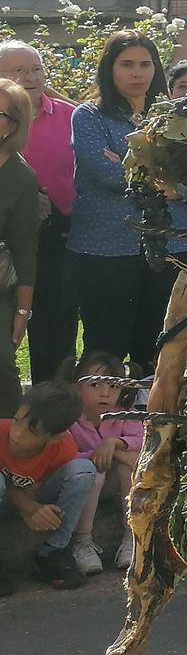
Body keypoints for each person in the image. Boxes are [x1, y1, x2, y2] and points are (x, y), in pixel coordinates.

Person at [70, 33, 187, 372]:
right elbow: (104, 173)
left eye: (145, 64)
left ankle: (151, 423)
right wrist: (164, 178)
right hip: (103, 249)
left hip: (171, 244)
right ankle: (97, 423)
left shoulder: (176, 117)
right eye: (127, 64)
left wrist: (124, 159)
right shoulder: (89, 116)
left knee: (159, 347)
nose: (137, 73)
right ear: (109, 68)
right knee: (103, 347)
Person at [0, 43, 78, 382]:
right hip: (7, 246)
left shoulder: (72, 116)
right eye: (17, 71)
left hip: (58, 239)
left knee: (54, 331)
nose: (29, 78)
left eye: (35, 69)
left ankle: (51, 414)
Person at [1, 380, 90, 589]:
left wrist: (34, 509)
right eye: (17, 420)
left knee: (83, 470)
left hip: (36, 497)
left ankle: (52, 552)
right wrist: (29, 510)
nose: (17, 433)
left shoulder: (63, 448)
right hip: (9, 500)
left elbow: (33, 488)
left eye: (31, 431)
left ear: (54, 438)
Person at [62, 352, 144, 574]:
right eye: (95, 385)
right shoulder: (68, 418)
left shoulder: (126, 414)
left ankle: (131, 538)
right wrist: (97, 454)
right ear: (77, 387)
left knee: (129, 467)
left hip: (115, 484)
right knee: (94, 471)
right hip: (83, 485)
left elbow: (142, 448)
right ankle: (82, 542)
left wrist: (113, 444)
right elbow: (63, 457)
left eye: (114, 387)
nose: (105, 393)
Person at [0, 75, 43, 417]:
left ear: (14, 126)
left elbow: (25, 247)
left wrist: (22, 312)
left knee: (3, 373)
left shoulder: (20, 177)